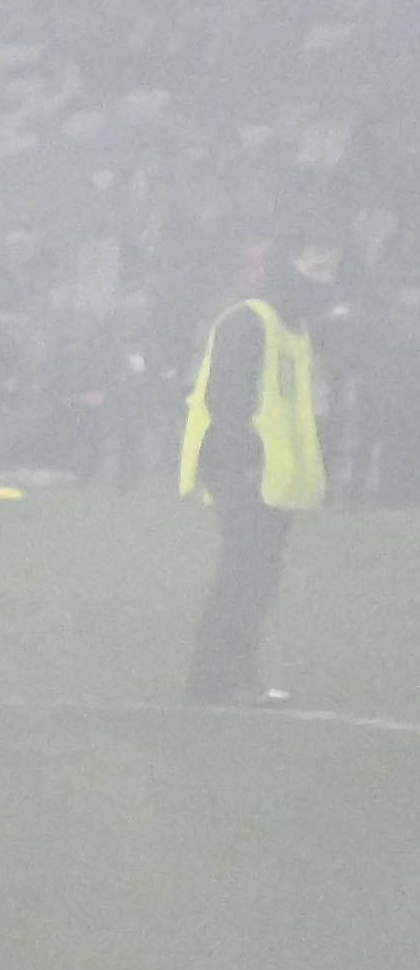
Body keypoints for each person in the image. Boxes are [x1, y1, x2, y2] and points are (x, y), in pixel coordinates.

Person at [184, 254, 329, 702]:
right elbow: (227, 396)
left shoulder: (294, 331)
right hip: (243, 469)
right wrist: (242, 458)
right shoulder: (247, 322)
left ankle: (240, 675)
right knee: (242, 574)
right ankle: (213, 678)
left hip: (274, 477)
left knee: (259, 576)